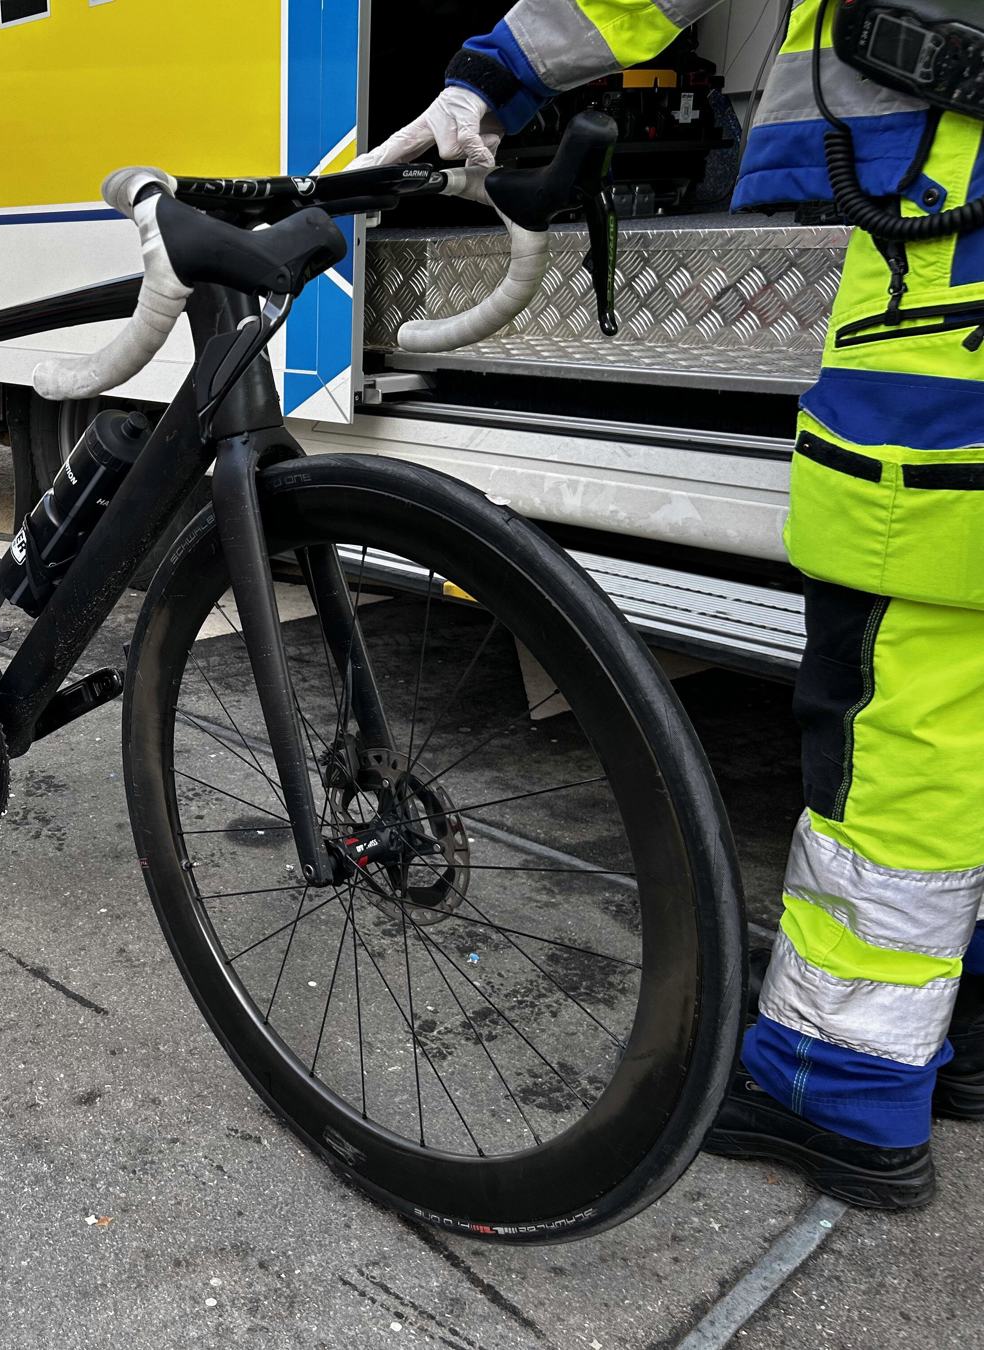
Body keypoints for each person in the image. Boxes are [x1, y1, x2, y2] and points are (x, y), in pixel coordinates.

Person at [356, 0, 984, 1210]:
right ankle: (959, 1037)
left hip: (947, 232)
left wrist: (495, 75)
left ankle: (838, 1084)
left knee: (906, 730)